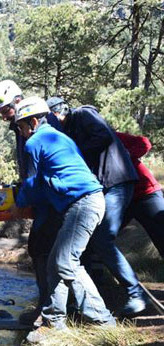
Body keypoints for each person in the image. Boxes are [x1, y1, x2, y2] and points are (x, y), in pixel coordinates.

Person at [11, 97, 116, 343]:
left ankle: (80, 321)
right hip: (89, 201)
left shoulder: (36, 142)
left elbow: (32, 182)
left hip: (83, 204)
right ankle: (67, 320)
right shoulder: (62, 138)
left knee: (63, 260)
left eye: (21, 127)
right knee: (62, 263)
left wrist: (19, 203)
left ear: (33, 122)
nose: (21, 133)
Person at [47, 97, 147, 317]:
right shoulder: (70, 129)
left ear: (58, 113)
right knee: (86, 239)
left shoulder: (83, 114)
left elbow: (103, 135)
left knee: (102, 238)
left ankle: (136, 294)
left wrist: (74, 150)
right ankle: (87, 298)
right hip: (104, 186)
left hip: (116, 181)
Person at [0, 80, 63, 326]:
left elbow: (40, 165)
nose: (3, 116)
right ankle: (48, 307)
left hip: (52, 198)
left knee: (44, 250)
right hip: (44, 196)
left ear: (18, 101)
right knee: (41, 250)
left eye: (5, 110)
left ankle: (50, 312)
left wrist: (23, 198)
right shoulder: (21, 125)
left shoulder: (40, 122)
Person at [116, 132, 164, 258]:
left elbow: (144, 143)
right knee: (102, 236)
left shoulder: (111, 135)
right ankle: (97, 275)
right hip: (122, 200)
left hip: (145, 192)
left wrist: (125, 156)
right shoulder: (81, 144)